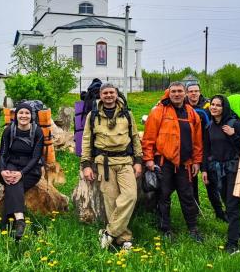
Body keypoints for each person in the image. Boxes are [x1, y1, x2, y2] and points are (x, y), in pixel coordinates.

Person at [81, 82, 143, 251]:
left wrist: (138, 161)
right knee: (111, 201)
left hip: (125, 161)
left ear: (117, 94)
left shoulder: (127, 114)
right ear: (100, 96)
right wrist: (86, 164)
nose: (108, 96)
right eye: (105, 93)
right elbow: (86, 141)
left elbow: (135, 138)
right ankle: (124, 239)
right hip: (104, 163)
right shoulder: (92, 116)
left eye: (111, 93)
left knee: (130, 196)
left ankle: (109, 233)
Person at [142, 81, 204, 241]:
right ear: (169, 93)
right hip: (164, 162)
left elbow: (197, 140)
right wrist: (148, 159)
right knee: (163, 196)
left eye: (180, 91)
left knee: (187, 196)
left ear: (185, 94)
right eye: (174, 91)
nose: (177, 94)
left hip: (185, 163)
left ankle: (193, 228)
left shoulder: (191, 113)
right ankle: (166, 229)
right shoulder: (158, 111)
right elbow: (149, 138)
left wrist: (197, 161)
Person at [202, 95, 240, 254]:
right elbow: (206, 150)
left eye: (218, 105)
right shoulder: (209, 127)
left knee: (233, 205)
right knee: (227, 203)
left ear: (224, 107)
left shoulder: (234, 123)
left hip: (233, 170)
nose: (214, 107)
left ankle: (232, 244)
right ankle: (238, 231)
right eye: (212, 105)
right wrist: (205, 170)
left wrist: (233, 134)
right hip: (217, 171)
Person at [0, 102, 44, 240]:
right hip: (11, 165)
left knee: (13, 183)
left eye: (27, 113)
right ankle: (20, 220)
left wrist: (21, 173)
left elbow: (36, 157)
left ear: (32, 116)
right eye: (21, 113)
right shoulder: (8, 130)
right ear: (16, 115)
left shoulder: (37, 131)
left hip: (30, 169)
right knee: (11, 180)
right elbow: (2, 154)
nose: (24, 115)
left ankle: (7, 223)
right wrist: (2, 171)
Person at [185, 83, 227, 222]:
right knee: (192, 182)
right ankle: (195, 211)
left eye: (196, 91)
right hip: (190, 148)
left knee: (211, 183)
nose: (194, 94)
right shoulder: (182, 105)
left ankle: (219, 212)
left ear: (200, 92)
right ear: (187, 93)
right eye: (191, 91)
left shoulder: (208, 106)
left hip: (208, 147)